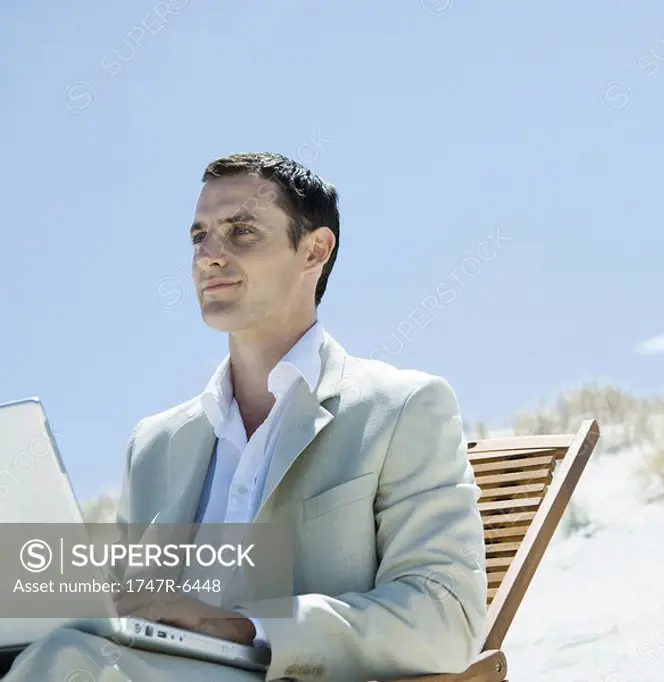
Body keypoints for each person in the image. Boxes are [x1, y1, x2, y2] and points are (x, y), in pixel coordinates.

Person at [3, 152, 488, 682]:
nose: (209, 255)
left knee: (67, 661)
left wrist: (240, 627)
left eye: (241, 232)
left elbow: (445, 621)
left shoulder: (401, 408)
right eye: (199, 237)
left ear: (314, 250)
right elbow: (129, 618)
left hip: (290, 673)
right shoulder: (155, 445)